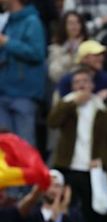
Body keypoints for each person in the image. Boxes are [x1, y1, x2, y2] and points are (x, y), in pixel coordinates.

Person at [48, 67, 107, 222]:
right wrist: (70, 102)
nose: (81, 86)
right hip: (67, 167)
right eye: (76, 83)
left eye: (84, 82)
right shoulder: (66, 104)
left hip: (91, 171)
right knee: (63, 213)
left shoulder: (102, 109)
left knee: (91, 217)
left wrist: (103, 162)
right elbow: (52, 122)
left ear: (92, 85)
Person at [0, 0, 46, 146]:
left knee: (24, 147)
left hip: (24, 93)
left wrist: (7, 42)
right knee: (5, 146)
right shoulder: (8, 22)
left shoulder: (32, 21)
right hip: (4, 92)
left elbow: (37, 53)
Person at [48, 11, 88, 84]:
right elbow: (55, 75)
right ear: (64, 26)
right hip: (64, 86)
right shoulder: (55, 48)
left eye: (78, 22)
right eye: (70, 23)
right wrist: (71, 55)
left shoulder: (90, 45)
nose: (74, 26)